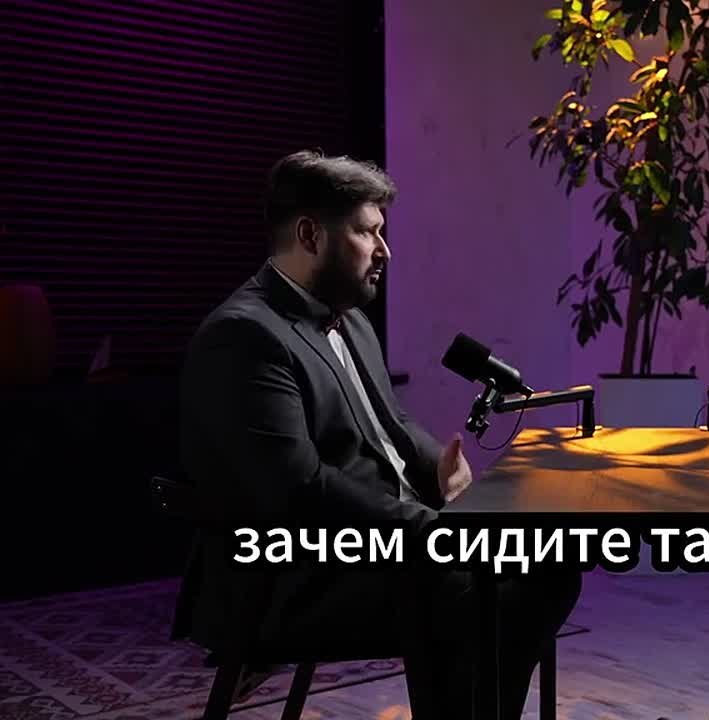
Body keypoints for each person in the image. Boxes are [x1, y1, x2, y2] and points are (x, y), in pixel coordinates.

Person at [170, 149, 580, 719]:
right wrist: (435, 531)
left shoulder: (354, 319)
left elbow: (392, 424)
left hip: (383, 549)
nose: (384, 250)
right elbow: (301, 489)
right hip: (296, 576)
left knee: (549, 566)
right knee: (480, 590)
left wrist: (443, 471)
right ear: (310, 235)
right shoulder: (244, 336)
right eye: (367, 232)